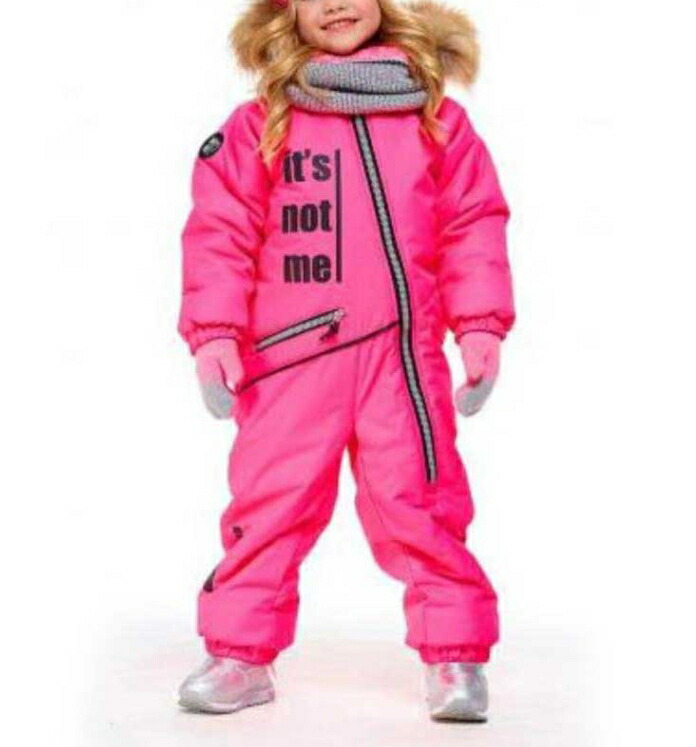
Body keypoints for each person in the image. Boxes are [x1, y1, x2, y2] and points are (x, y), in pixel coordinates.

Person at [176, 0, 515, 722]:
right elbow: (220, 233)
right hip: (292, 362)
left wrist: (480, 325)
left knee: (423, 503)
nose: (335, 3)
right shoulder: (261, 124)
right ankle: (240, 652)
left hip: (400, 360)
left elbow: (472, 225)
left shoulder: (436, 122)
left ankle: (455, 653)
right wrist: (215, 334)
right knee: (269, 505)